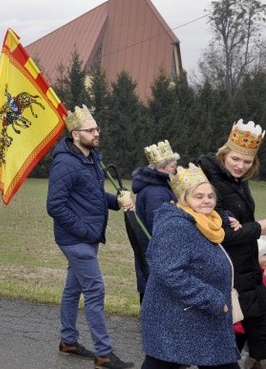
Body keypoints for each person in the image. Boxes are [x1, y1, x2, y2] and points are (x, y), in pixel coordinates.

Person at [46, 106, 134, 369]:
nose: (97, 133)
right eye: (91, 130)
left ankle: (68, 341)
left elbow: (91, 196)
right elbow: (55, 206)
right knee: (95, 290)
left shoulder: (92, 158)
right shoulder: (65, 163)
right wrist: (86, 230)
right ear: (75, 134)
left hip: (86, 237)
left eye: (97, 129)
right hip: (75, 239)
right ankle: (104, 354)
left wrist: (116, 202)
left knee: (74, 289)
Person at [140, 164, 240, 369]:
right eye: (199, 196)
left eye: (210, 196)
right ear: (184, 199)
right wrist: (211, 298)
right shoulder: (176, 225)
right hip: (178, 317)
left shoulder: (206, 222)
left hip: (196, 317)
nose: (206, 200)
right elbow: (169, 272)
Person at [197, 120, 266, 367]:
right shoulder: (211, 184)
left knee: (253, 332)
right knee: (230, 336)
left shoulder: (237, 181)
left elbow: (237, 227)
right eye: (236, 159)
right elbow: (222, 233)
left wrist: (247, 230)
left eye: (247, 162)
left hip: (246, 268)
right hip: (227, 270)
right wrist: (259, 227)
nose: (241, 166)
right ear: (225, 153)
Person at [130, 140, 179, 303]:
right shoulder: (156, 193)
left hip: (152, 250)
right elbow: (158, 225)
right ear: (161, 168)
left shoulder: (160, 187)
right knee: (153, 286)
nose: (176, 169)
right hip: (155, 250)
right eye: (173, 167)